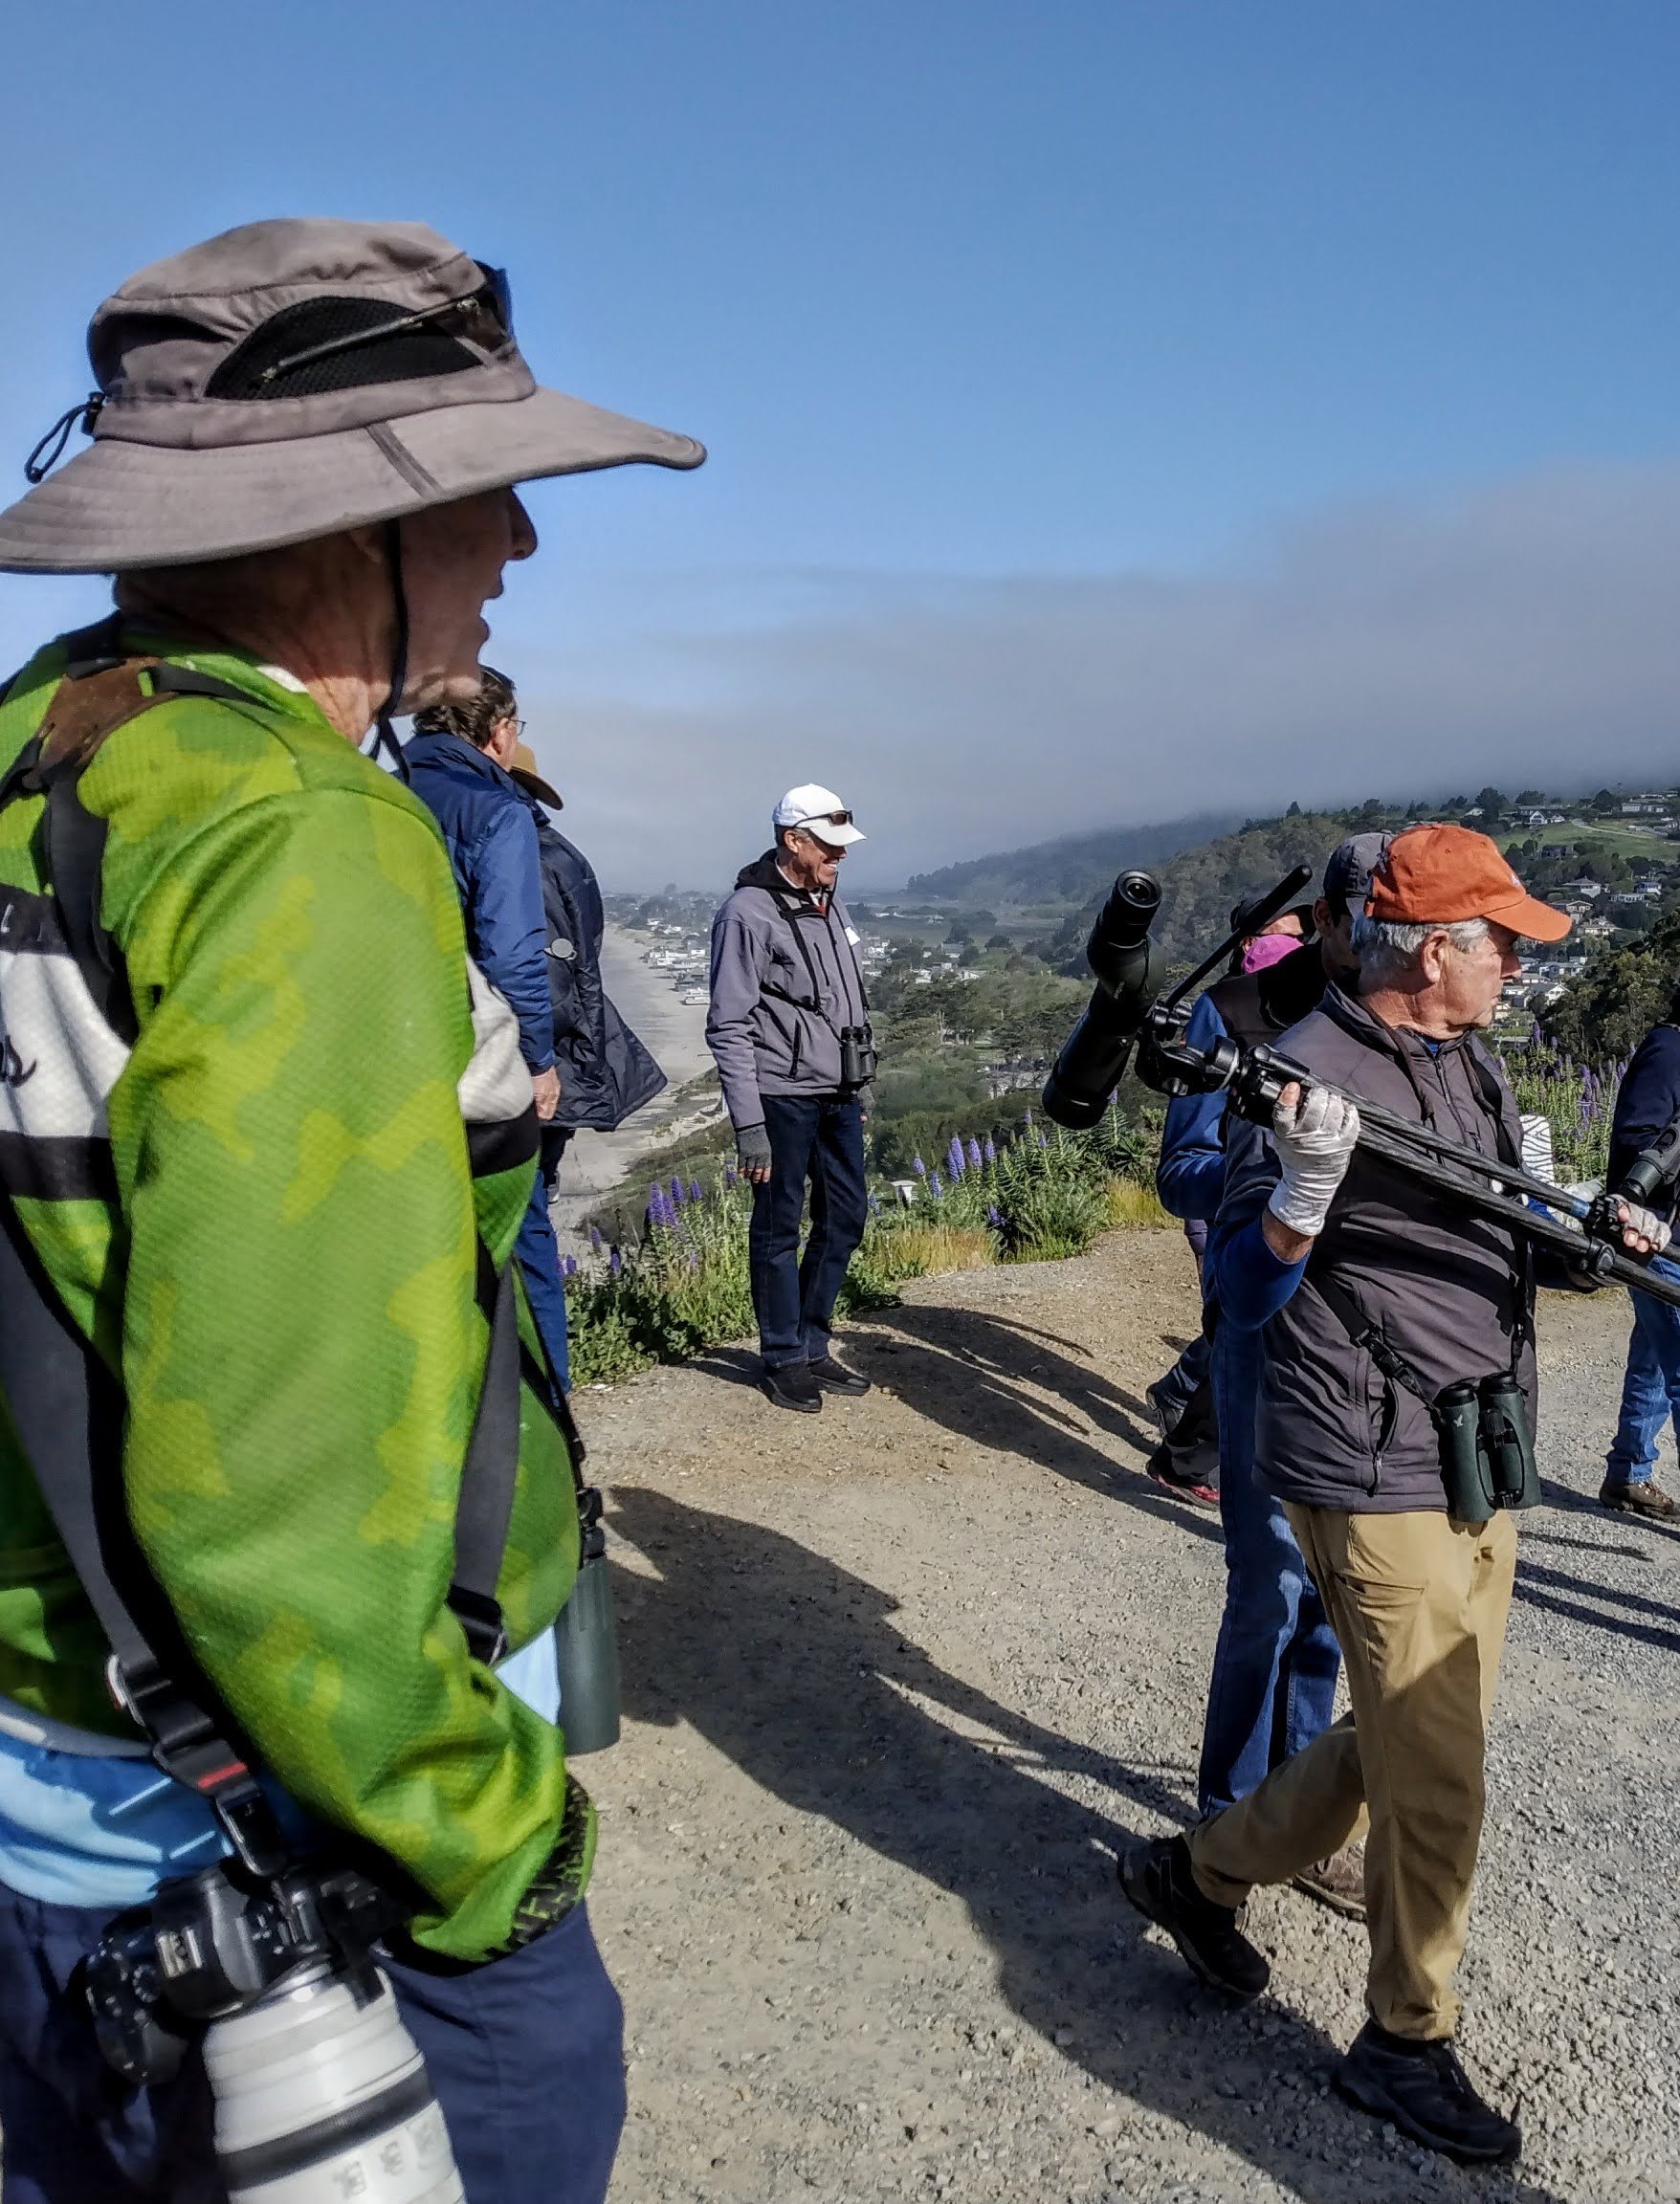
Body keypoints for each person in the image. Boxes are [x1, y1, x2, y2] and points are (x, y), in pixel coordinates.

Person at [0, 216, 702, 2204]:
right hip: (266, 1830)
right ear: (343, 530)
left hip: (50, 1799)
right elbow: (277, 1500)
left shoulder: (46, 762)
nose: (522, 551)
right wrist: (491, 1843)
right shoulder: (295, 839)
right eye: (484, 498)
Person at [1121, 823, 1666, 2168]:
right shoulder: (1298, 1078)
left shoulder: (1462, 1057)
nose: (1516, 968)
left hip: (1474, 1443)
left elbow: (1485, 1231)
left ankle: (1196, 1875)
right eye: (1499, 944)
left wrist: (1589, 1232)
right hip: (1368, 1463)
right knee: (1443, 1771)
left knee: (1408, 1732)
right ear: (1433, 949)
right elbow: (1246, 1293)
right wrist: (1299, 1196)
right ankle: (1402, 2040)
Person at [1155, 835, 1388, 1918]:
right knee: (1275, 1584)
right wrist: (1279, 1172)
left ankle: (1303, 1822)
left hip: (1362, 1344)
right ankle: (1227, 1823)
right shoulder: (1237, 1014)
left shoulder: (1401, 1025)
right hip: (1259, 1327)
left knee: (1334, 1599)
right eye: (1375, 926)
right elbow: (1179, 1173)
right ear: (1332, 922)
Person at [406, 668, 575, 1393]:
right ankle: (546, 1418)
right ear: (497, 731)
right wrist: (536, 1060)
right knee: (523, 1238)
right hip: (474, 1055)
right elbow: (512, 954)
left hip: (388, 1046)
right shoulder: (495, 811)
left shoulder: (377, 791)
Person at [707, 784, 873, 1413]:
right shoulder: (746, 913)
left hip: (839, 1092)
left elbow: (844, 998)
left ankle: (811, 1342)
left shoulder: (828, 900)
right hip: (781, 1096)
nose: (840, 856)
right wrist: (748, 1124)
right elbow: (727, 1023)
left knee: (845, 1217)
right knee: (778, 1227)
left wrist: (858, 1085)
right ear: (793, 841)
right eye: (829, 845)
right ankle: (781, 1357)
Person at [508, 732, 667, 1293]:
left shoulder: (526, 858)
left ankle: (532, 1363)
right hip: (563, 1059)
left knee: (520, 1224)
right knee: (533, 1212)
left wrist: (538, 1059)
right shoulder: (560, 855)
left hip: (536, 1064)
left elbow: (550, 973)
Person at [1599, 1006, 1680, 1519]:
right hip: (1661, 1242)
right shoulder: (1670, 1050)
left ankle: (1629, 1473)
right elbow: (1636, 1140)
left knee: (1654, 1355)